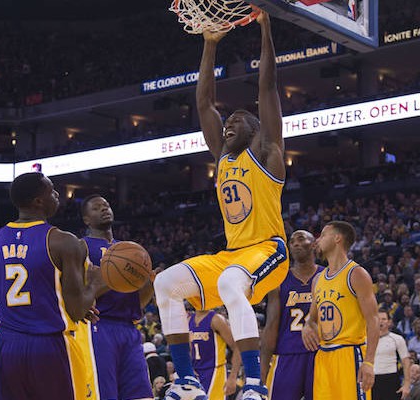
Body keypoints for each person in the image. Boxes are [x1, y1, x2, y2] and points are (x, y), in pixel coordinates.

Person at [153, 11, 289, 400]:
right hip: (232, 255)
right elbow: (204, 102)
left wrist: (265, 27)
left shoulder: (267, 151)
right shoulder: (223, 157)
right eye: (226, 121)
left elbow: (268, 90)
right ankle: (188, 381)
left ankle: (255, 386)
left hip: (268, 250)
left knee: (232, 281)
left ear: (256, 131)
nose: (228, 123)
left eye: (238, 121)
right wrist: (210, 44)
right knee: (166, 283)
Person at [0, 172, 104, 399]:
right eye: (52, 190)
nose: (57, 194)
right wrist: (95, 284)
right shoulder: (63, 241)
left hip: (6, 346)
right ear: (38, 201)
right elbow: (77, 311)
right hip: (48, 345)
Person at [78, 194, 156, 400]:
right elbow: (81, 292)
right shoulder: (80, 247)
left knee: (141, 395)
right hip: (98, 326)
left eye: (107, 205)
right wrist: (111, 278)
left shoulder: (130, 250)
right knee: (104, 394)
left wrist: (149, 284)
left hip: (129, 328)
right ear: (86, 219)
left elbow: (139, 301)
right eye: (96, 208)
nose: (104, 209)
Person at [301, 221, 380, 400]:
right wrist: (307, 326)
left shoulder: (357, 274)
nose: (318, 240)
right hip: (323, 357)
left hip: (350, 355)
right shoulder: (317, 280)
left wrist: (369, 362)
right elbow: (312, 319)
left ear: (337, 238)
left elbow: (373, 320)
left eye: (323, 234)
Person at [261, 230, 324, 400]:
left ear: (314, 244)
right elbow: (271, 324)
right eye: (292, 241)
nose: (295, 243)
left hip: (320, 353)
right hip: (287, 353)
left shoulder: (328, 276)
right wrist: (263, 367)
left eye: (301, 239)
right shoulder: (279, 280)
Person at [188, 309, 241, 399]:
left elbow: (237, 347)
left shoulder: (216, 319)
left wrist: (233, 376)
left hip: (216, 372)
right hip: (196, 374)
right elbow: (189, 350)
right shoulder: (189, 320)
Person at [373, 310, 411, 400]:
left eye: (383, 319)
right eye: (378, 319)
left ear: (389, 322)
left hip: (390, 379)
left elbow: (406, 362)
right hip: (372, 379)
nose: (381, 322)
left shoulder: (397, 339)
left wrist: (406, 385)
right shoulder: (366, 339)